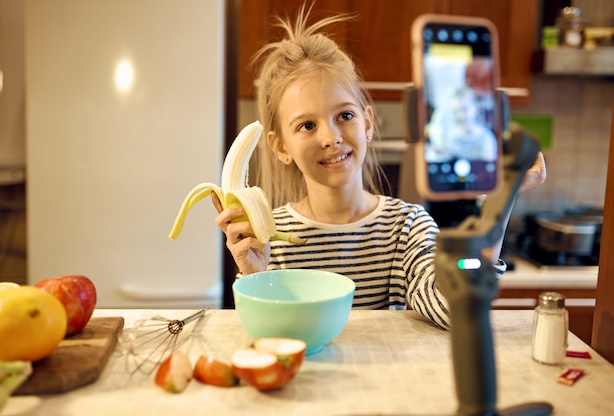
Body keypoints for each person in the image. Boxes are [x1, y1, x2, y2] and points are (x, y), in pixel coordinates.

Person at [216, 7, 546, 329]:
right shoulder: (271, 238)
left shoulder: (407, 227)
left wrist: (502, 198)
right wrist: (255, 277)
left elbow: (456, 310)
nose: (331, 137)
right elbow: (269, 338)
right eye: (306, 125)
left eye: (344, 116)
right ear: (281, 147)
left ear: (368, 123)